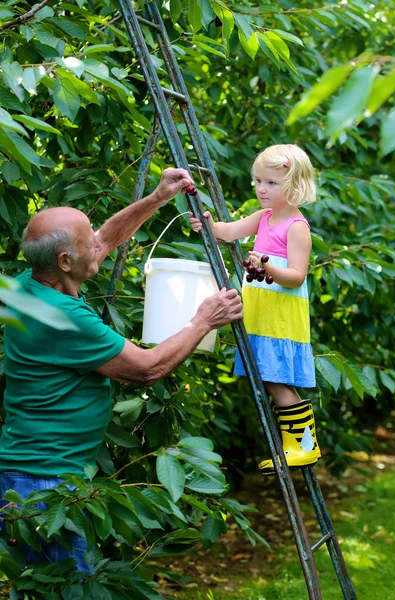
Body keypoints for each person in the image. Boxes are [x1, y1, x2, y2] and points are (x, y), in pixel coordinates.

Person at [0, 167, 243, 572]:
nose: (96, 244)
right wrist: (203, 321)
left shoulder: (29, 283)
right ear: (65, 261)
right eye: (85, 243)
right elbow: (146, 369)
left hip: (30, 474)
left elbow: (104, 240)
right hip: (44, 484)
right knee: (66, 589)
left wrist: (158, 198)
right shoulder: (64, 319)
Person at [190, 144, 320, 474]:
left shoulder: (296, 227)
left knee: (275, 381)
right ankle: (298, 444)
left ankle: (304, 446)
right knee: (268, 380)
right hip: (261, 314)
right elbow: (229, 231)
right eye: (258, 181)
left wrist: (267, 267)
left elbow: (296, 276)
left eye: (272, 183)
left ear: (296, 185)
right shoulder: (263, 217)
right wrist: (207, 225)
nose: (262, 189)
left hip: (280, 316)